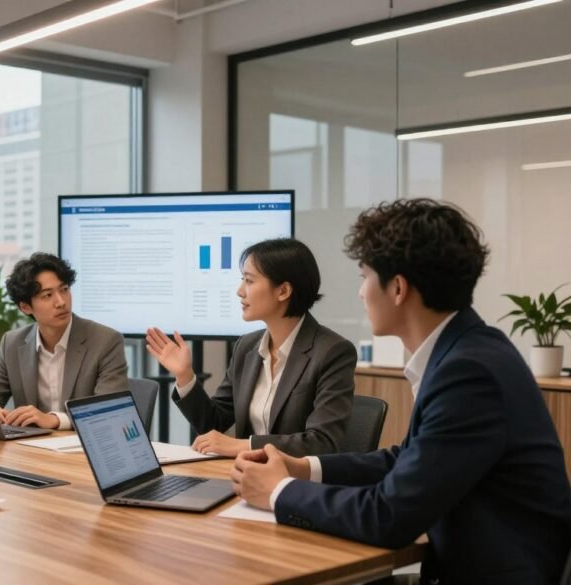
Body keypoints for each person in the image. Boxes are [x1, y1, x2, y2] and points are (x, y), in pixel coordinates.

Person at [231, 199, 571, 584]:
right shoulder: (468, 350)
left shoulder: (468, 372)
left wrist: (281, 491)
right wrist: (305, 468)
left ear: (397, 288)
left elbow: (387, 516)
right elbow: (407, 459)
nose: (361, 293)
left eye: (364, 277)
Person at [146, 238, 355, 457]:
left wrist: (244, 446)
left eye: (249, 281)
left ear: (283, 291)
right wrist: (185, 376)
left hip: (295, 483)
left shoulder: (333, 352)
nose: (239, 291)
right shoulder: (247, 346)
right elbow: (213, 424)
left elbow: (322, 442)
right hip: (246, 476)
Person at [0, 252, 128, 430]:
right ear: (25, 307)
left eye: (64, 289)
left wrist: (55, 420)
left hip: (83, 449)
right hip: (31, 449)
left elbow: (107, 412)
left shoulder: (106, 341)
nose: (61, 302)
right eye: (47, 295)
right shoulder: (12, 343)